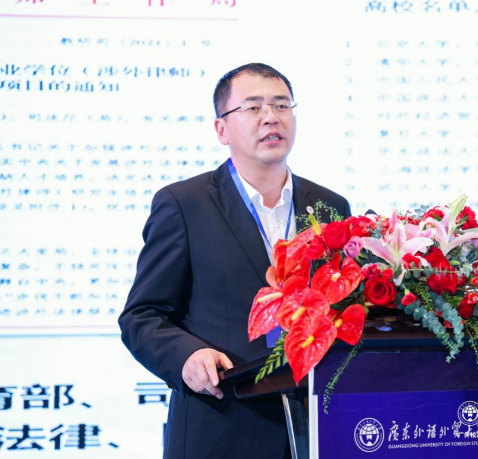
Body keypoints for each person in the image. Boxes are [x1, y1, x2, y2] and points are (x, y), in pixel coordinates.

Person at [118, 63, 351, 458]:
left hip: (319, 429)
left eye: (282, 105)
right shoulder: (184, 205)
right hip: (223, 428)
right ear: (221, 129)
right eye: (253, 107)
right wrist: (187, 356)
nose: (271, 117)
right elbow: (142, 315)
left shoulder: (331, 207)